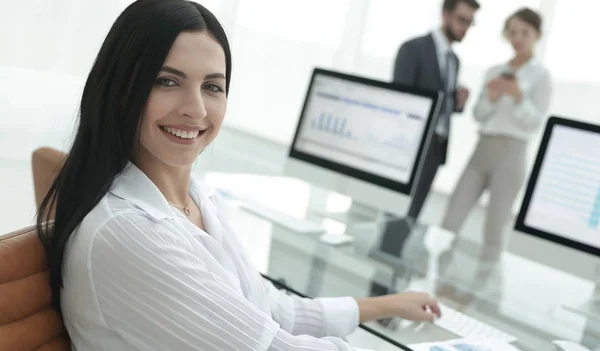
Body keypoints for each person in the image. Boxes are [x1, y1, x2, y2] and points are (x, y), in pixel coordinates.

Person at [36, 1, 441, 350]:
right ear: (121, 89)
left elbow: (272, 310)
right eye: (167, 81)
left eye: (212, 87)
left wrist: (385, 305)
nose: (195, 109)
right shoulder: (126, 232)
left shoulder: (195, 196)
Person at [441, 8, 552, 249]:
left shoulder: (541, 76)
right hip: (482, 149)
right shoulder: (494, 71)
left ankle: (485, 286)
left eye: (524, 32)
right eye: (512, 32)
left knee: (493, 232)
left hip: (512, 155)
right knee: (450, 221)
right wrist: (491, 98)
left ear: (537, 35)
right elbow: (479, 115)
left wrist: (518, 97)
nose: (518, 38)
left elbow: (535, 122)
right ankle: (440, 282)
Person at [393, 0, 480, 220]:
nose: (466, 28)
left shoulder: (454, 60)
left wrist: (457, 102)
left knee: (412, 217)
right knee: (392, 210)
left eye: (470, 23)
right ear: (445, 15)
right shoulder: (413, 49)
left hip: (436, 148)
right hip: (408, 146)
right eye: (462, 20)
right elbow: (399, 100)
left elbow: (441, 105)